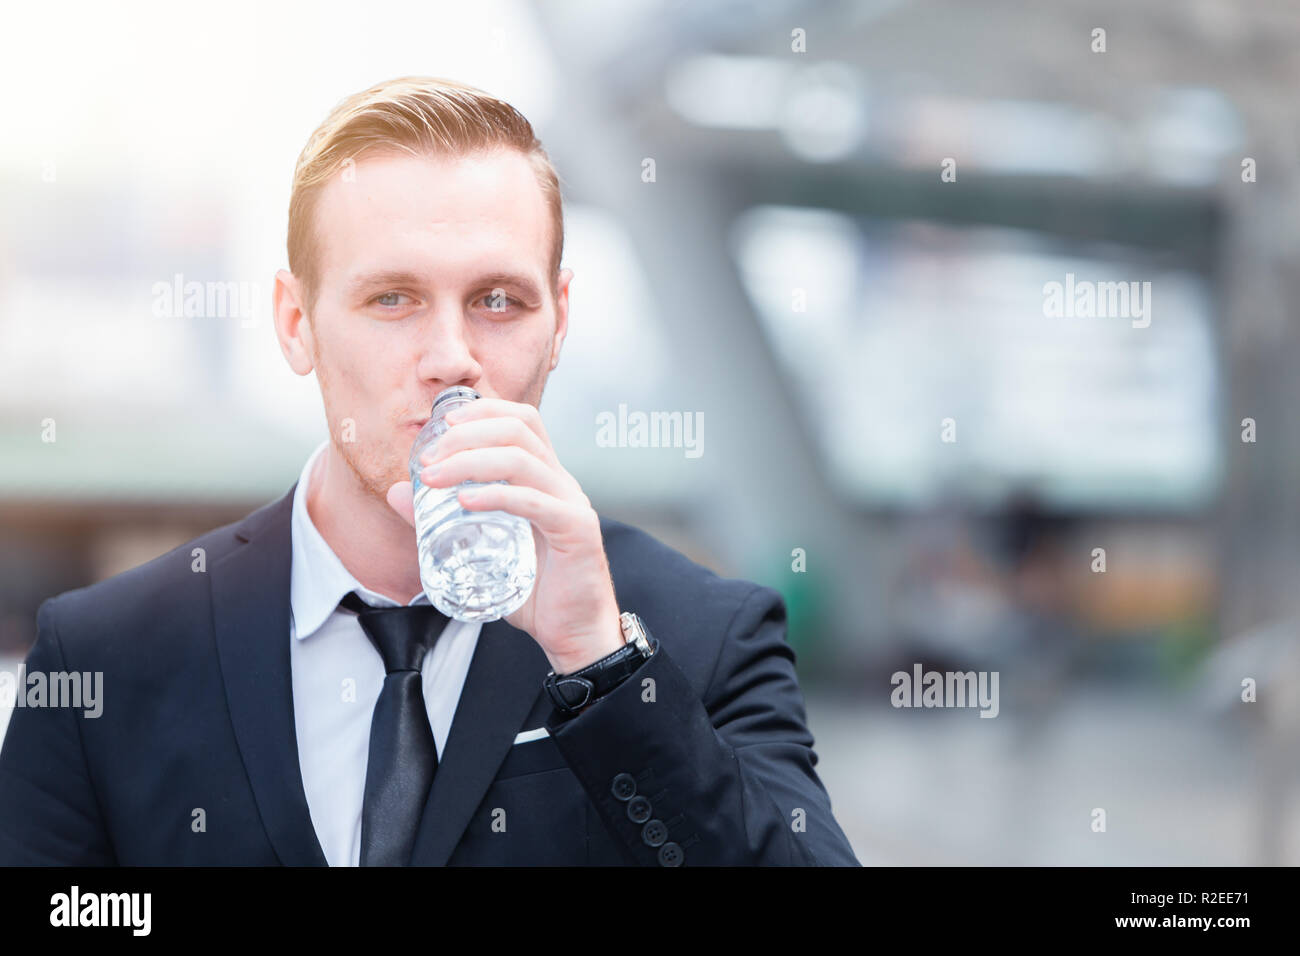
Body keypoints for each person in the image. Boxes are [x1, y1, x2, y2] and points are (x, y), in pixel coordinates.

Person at [0, 76, 859, 867]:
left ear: (558, 322)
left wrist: (601, 666)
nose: (451, 358)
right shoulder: (107, 654)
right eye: (392, 299)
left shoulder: (703, 636)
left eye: (498, 301)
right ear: (295, 323)